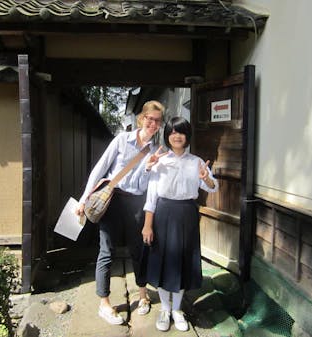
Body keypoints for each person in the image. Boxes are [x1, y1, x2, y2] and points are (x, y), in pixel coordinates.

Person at [75, 100, 165, 325]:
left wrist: (147, 167)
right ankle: (104, 303)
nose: (153, 124)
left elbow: (146, 186)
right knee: (106, 250)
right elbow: (100, 168)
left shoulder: (155, 150)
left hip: (136, 202)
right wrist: (84, 198)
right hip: (113, 200)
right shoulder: (121, 140)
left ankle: (143, 296)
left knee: (139, 250)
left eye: (157, 121)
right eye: (149, 118)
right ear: (142, 118)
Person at [142, 116, 218, 332]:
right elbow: (151, 197)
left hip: (187, 214)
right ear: (167, 135)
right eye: (173, 132)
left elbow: (213, 188)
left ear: (187, 136)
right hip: (163, 214)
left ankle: (177, 309)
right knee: (164, 262)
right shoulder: (160, 161)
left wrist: (206, 178)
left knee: (183, 262)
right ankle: (165, 309)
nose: (176, 136)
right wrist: (148, 225)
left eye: (181, 132)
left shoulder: (196, 161)